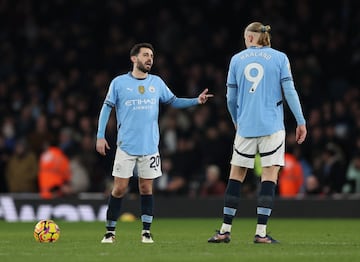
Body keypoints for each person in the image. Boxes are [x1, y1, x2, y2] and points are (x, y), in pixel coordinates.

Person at [96, 42, 213, 244]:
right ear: (134, 58)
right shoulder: (119, 83)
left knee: (146, 188)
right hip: (125, 146)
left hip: (150, 147)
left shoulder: (157, 82)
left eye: (152, 55)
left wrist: (196, 100)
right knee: (119, 189)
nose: (150, 58)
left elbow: (173, 101)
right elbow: (107, 108)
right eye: (145, 55)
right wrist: (100, 136)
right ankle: (110, 232)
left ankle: (146, 232)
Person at [208, 22, 307, 244]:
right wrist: (300, 121)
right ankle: (261, 233)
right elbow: (289, 91)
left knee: (236, 176)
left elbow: (230, 98)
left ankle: (225, 230)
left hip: (245, 127)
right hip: (272, 127)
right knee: (269, 176)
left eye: (245, 37)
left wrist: (236, 120)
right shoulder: (280, 58)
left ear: (251, 38)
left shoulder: (236, 59)